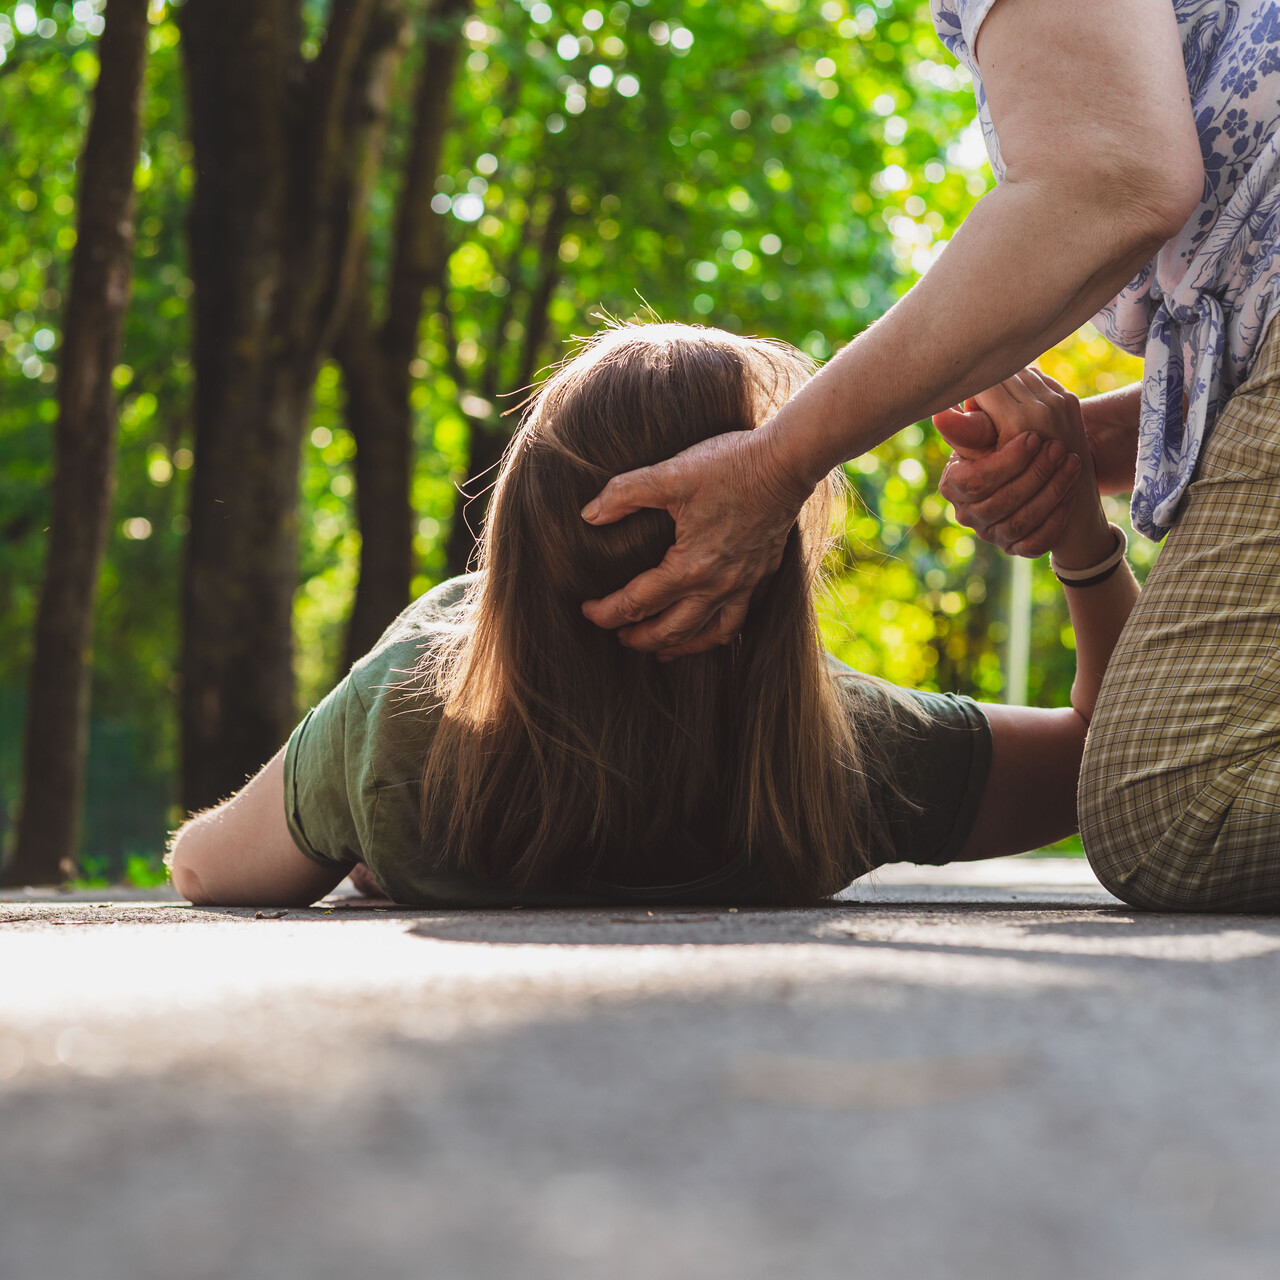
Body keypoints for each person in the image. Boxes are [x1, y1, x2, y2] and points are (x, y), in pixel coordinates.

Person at [578, 2, 1280, 911]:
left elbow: (1111, 180)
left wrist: (779, 461)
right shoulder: (860, 751)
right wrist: (1088, 462)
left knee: (1179, 805)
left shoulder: (385, 732)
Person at [167, 324, 1136, 908]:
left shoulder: (404, 725)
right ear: (766, 565)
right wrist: (1082, 544)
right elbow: (1112, 760)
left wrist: (357, 810)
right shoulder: (840, 756)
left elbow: (204, 868)